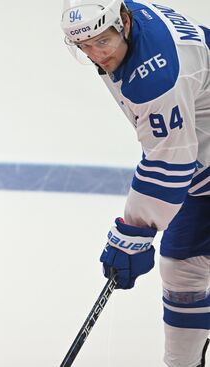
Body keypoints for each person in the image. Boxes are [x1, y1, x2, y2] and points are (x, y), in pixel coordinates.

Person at [60, 0, 210, 366]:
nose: (97, 55)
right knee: (183, 263)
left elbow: (169, 163)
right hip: (201, 147)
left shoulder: (154, 78)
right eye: (85, 47)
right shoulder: (126, 15)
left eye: (103, 42)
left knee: (185, 263)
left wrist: (133, 233)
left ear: (123, 22)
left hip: (196, 153)